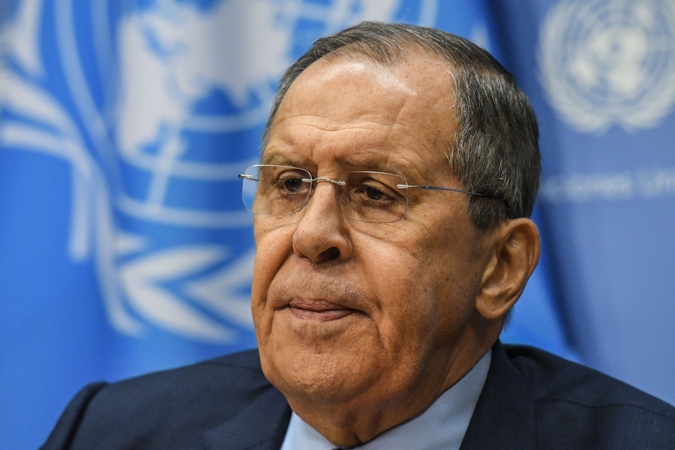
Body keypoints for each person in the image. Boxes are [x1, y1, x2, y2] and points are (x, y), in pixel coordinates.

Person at [41, 22, 675, 449]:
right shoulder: (112, 431)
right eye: (290, 183)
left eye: (375, 193)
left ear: (501, 267)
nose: (312, 235)